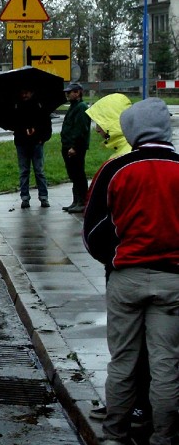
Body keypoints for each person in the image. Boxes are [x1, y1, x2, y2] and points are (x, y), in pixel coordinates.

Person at [82, 97, 179, 445]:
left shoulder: (117, 169)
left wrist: (113, 258)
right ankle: (164, 437)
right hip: (173, 280)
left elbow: (92, 232)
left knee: (123, 362)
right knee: (166, 364)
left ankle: (114, 435)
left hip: (127, 277)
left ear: (131, 128)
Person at [13, 88, 52, 208]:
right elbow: (13, 123)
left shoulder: (40, 106)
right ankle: (25, 198)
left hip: (36, 143)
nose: (24, 94)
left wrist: (41, 138)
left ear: (32, 92)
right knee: (24, 171)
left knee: (39, 171)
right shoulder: (16, 107)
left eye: (27, 92)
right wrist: (23, 130)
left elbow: (46, 125)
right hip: (21, 143)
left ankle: (43, 197)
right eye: (23, 92)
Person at [59, 82, 90, 213]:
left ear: (77, 93)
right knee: (73, 174)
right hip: (67, 146)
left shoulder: (81, 107)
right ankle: (76, 201)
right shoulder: (73, 107)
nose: (67, 94)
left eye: (70, 92)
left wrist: (74, 147)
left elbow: (80, 130)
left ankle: (82, 201)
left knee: (78, 174)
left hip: (75, 147)